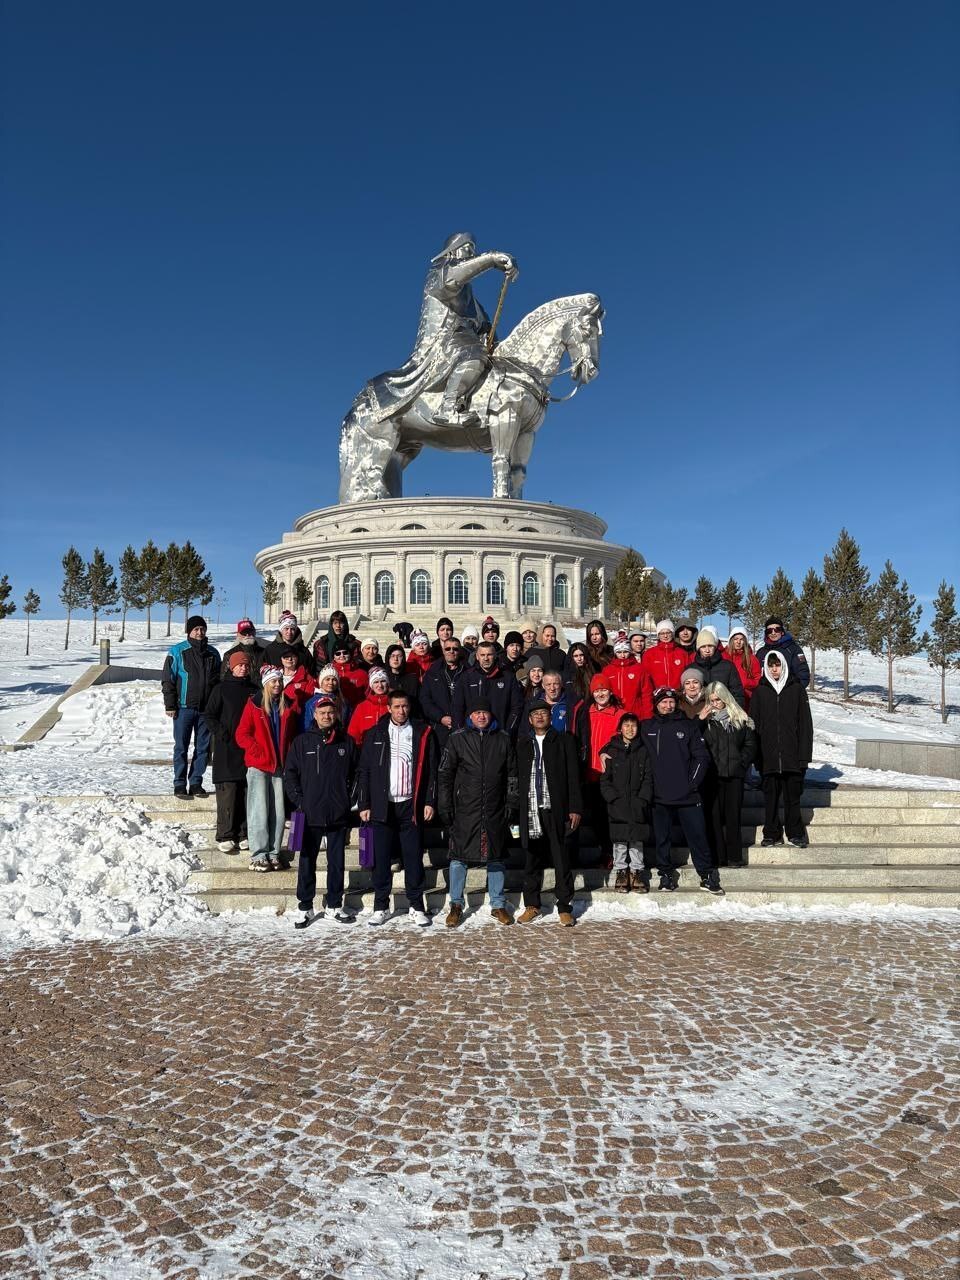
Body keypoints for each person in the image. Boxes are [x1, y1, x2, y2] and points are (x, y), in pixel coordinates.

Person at [357, 690, 437, 926]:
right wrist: (364, 803)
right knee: (381, 858)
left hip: (410, 804)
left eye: (405, 706)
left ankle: (416, 905)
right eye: (397, 707)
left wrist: (430, 801)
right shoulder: (375, 734)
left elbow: (432, 770)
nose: (401, 711)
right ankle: (381, 905)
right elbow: (365, 771)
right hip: (383, 805)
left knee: (413, 857)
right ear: (389, 708)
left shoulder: (422, 732)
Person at [438, 696, 517, 927]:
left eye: (485, 712)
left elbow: (512, 775)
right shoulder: (457, 739)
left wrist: (512, 802)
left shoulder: (502, 739)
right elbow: (445, 775)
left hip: (494, 807)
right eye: (476, 712)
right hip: (465, 808)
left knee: (496, 857)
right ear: (469, 716)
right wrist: (445, 805)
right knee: (458, 857)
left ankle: (498, 904)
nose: (481, 716)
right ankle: (455, 904)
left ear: (490, 715)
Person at [283, 696, 358, 927]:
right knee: (307, 861)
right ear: (314, 715)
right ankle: (305, 906)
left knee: (336, 861)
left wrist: (349, 799)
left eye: (330, 712)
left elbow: (357, 774)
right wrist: (299, 800)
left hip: (337, 812)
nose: (326, 716)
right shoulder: (302, 742)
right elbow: (290, 774)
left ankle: (334, 905)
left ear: (336, 714)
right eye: (322, 712)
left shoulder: (346, 741)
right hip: (309, 813)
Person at [641, 687, 723, 895]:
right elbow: (626, 742)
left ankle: (706, 874)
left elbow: (701, 757)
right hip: (659, 795)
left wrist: (692, 783)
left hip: (688, 794)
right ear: (656, 704)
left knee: (698, 836)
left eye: (671, 702)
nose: (668, 706)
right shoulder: (647, 727)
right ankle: (666, 875)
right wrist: (607, 751)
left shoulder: (688, 726)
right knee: (662, 838)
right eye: (663, 702)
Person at [516, 703, 583, 927]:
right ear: (529, 719)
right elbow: (515, 779)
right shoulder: (523, 744)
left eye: (543, 713)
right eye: (535, 714)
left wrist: (575, 807)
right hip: (531, 809)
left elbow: (574, 776)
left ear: (550, 716)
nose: (539, 717)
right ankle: (532, 905)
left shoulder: (564, 740)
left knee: (561, 858)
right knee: (531, 859)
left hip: (556, 808)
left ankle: (564, 907)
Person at [236, 665, 300, 871]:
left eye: (280, 681)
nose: (277, 684)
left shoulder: (287, 706)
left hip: (279, 766)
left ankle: (274, 852)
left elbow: (290, 736)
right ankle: (258, 854)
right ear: (265, 684)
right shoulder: (254, 705)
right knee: (259, 811)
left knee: (279, 813)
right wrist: (257, 752)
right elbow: (242, 734)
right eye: (273, 681)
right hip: (259, 765)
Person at [751, 651, 813, 847]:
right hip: (768, 755)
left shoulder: (796, 690)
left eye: (777, 665)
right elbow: (754, 725)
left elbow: (805, 726)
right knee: (770, 798)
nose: (774, 669)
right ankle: (771, 832)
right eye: (771, 666)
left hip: (792, 755)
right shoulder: (760, 692)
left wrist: (804, 757)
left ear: (784, 665)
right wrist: (756, 755)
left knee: (792, 797)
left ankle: (795, 832)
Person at [161, 614, 222, 799]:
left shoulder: (213, 654)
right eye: (196, 629)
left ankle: (196, 782)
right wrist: (170, 704)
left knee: (203, 748)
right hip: (183, 708)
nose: (199, 632)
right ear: (189, 631)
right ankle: (179, 783)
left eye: (202, 629)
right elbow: (167, 680)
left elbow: (218, 682)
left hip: (206, 711)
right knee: (181, 746)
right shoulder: (177, 652)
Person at [202, 650, 256, 851]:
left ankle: (243, 833)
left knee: (245, 790)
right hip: (227, 747)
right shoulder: (221, 688)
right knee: (228, 792)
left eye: (245, 665)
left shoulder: (254, 689)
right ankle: (225, 833)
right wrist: (222, 733)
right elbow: (209, 715)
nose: (243, 668)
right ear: (231, 667)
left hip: (248, 748)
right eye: (239, 665)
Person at [700, 682, 758, 868]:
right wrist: (700, 720)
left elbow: (750, 745)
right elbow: (695, 743)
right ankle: (718, 857)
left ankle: (734, 856)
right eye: (712, 700)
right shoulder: (705, 721)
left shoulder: (740, 719)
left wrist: (741, 764)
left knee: (733, 817)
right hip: (713, 776)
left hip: (734, 775)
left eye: (718, 699)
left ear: (725, 698)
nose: (715, 703)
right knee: (714, 818)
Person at [599, 713, 654, 891]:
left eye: (633, 725)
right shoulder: (612, 751)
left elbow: (648, 777)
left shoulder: (643, 750)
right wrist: (612, 798)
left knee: (637, 840)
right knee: (620, 841)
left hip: (637, 802)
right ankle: (621, 871)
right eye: (626, 725)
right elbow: (605, 780)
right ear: (620, 728)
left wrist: (644, 798)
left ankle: (637, 872)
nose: (630, 729)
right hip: (618, 803)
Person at [577, 673, 625, 860]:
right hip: (591, 772)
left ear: (610, 692)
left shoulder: (620, 714)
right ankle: (604, 851)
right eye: (597, 690)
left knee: (611, 816)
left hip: (612, 774)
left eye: (604, 689)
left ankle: (614, 853)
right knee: (597, 817)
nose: (600, 694)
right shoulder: (586, 713)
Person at [453, 640, 523, 737]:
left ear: (495, 656)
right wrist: (460, 733)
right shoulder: (466, 678)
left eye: (489, 655)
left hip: (499, 735)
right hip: (471, 737)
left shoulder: (508, 677)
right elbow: (458, 707)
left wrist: (508, 731)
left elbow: (516, 707)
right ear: (477, 657)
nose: (486, 658)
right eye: (482, 655)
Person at [420, 635, 466, 751]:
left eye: (455, 649)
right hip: (439, 729)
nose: (451, 651)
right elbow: (425, 700)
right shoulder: (432, 672)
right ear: (443, 650)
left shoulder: (468, 672)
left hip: (463, 728)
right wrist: (441, 717)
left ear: (459, 651)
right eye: (448, 649)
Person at [639, 620, 689, 716]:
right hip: (658, 699)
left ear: (672, 633)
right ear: (658, 635)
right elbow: (646, 679)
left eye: (668, 632)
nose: (665, 636)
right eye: (662, 633)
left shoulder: (682, 653)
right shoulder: (649, 654)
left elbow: (687, 675)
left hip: (677, 699)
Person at [520, 669, 583, 738]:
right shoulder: (533, 704)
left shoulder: (572, 704)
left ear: (561, 684)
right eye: (548, 684)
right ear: (543, 686)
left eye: (555, 684)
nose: (552, 688)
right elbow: (524, 731)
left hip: (564, 746)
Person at [694, 626, 745, 706]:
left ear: (715, 647)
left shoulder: (728, 667)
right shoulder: (692, 669)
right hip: (700, 714)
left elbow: (738, 694)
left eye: (710, 646)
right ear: (698, 649)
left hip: (725, 714)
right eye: (703, 647)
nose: (707, 650)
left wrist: (732, 713)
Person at [756, 616, 810, 689]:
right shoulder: (761, 652)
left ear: (782, 632)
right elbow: (755, 675)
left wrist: (796, 691)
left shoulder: (793, 649)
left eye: (777, 629)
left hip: (789, 694)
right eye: (769, 631)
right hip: (767, 695)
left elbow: (803, 673)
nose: (773, 633)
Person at [348, 667, 391, 746]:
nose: (380, 685)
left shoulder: (393, 704)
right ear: (371, 685)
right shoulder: (362, 707)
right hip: (366, 750)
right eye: (376, 682)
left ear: (387, 683)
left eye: (383, 681)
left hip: (389, 749)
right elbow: (353, 733)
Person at [604, 636, 646, 716]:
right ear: (615, 653)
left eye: (625, 652)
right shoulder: (607, 670)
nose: (622, 655)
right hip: (614, 712)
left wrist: (647, 715)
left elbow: (646, 693)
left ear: (630, 652)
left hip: (635, 712)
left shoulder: (639, 668)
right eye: (619, 652)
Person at [304, 665, 352, 731]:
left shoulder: (343, 701)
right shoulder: (311, 702)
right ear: (321, 682)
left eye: (334, 680)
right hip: (317, 737)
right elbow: (307, 726)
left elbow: (348, 722)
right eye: (327, 679)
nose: (331, 682)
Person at [726, 627, 762, 710]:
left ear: (745, 641)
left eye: (741, 639)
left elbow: (758, 679)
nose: (738, 642)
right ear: (731, 640)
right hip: (727, 698)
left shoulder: (752, 659)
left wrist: (747, 683)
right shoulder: (725, 656)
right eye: (736, 639)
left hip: (746, 698)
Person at [384, 643, 421, 710]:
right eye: (392, 656)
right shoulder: (383, 680)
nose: (396, 659)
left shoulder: (412, 680)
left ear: (403, 658)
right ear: (388, 658)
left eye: (399, 656)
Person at [331, 642, 368, 707]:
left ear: (350, 654)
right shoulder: (328, 673)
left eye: (345, 653)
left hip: (356, 709)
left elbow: (367, 694)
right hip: (333, 710)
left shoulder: (361, 674)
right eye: (338, 653)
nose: (342, 656)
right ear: (333, 657)